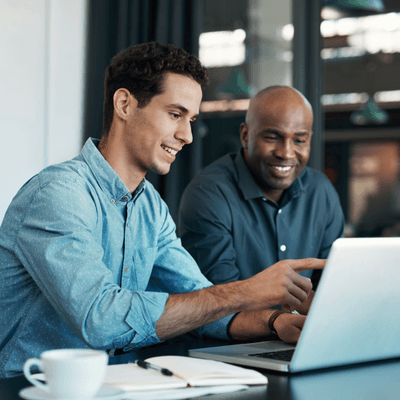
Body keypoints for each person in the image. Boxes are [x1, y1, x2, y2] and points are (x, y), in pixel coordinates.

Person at [0, 43, 324, 377]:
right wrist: (246, 291)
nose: (186, 135)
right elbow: (100, 319)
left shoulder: (150, 207)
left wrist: (276, 322)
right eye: (175, 114)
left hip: (115, 384)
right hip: (27, 388)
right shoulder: (59, 195)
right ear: (124, 104)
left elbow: (200, 301)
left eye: (192, 119)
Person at [179, 85, 344, 287]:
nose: (287, 153)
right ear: (245, 136)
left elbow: (334, 282)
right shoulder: (209, 194)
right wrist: (281, 317)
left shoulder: (320, 191)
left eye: (299, 140)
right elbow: (219, 299)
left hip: (306, 319)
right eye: (272, 138)